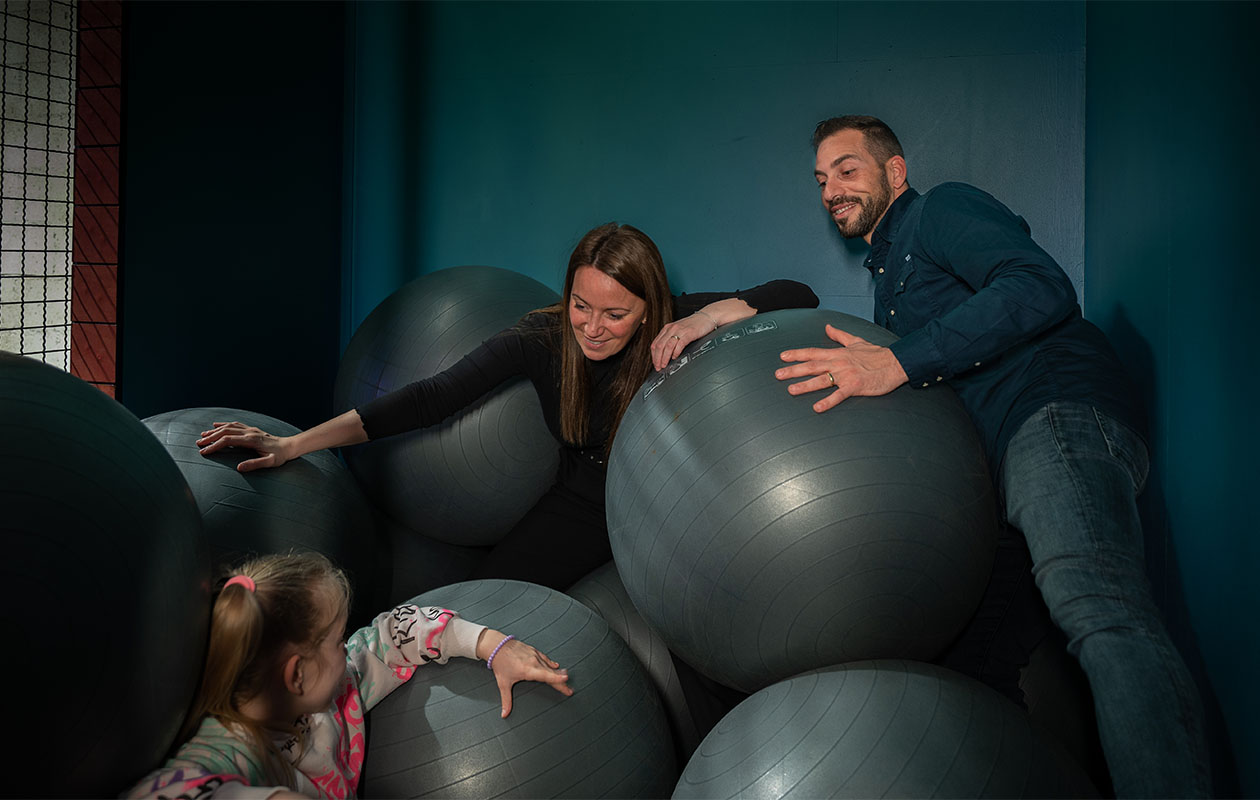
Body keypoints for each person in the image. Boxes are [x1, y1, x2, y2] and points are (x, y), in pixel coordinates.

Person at [774, 114, 1209, 797]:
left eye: (847, 170)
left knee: (1101, 613)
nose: (831, 190)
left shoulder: (941, 211)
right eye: (821, 179)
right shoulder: (888, 283)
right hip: (999, 471)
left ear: (895, 171)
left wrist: (898, 361)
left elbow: (1039, 286)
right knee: (970, 666)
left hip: (1052, 419)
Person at [197, 222, 818, 591]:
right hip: (587, 501)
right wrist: (293, 443)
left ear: (647, 307)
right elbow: (429, 398)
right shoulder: (539, 338)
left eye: (615, 314)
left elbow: (800, 293)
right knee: (484, 599)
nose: (592, 328)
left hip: (669, 501)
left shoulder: (674, 316)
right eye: (581, 305)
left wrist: (712, 315)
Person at [127, 551, 572, 799]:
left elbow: (389, 635)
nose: (348, 647)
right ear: (297, 675)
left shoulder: (329, 690)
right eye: (339, 640)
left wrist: (490, 644)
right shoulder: (231, 748)